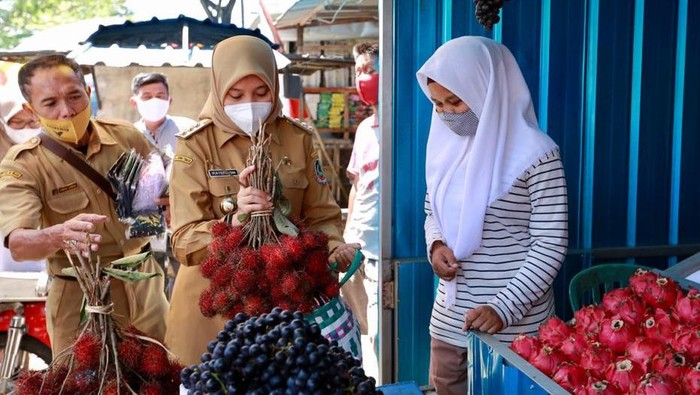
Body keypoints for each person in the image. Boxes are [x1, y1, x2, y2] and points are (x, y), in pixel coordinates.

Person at [166, 35, 359, 365]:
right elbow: (182, 240)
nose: (250, 103)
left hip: (289, 304)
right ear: (217, 89)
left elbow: (322, 215)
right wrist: (234, 219)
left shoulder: (298, 140)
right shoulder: (195, 146)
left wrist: (334, 247)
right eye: (236, 95)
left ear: (275, 87)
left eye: (261, 93)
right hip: (213, 311)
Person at [416, 36, 568, 394]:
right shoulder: (446, 148)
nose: (447, 115)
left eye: (455, 100)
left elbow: (550, 244)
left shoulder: (538, 156)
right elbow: (432, 210)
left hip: (517, 332)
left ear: (489, 88)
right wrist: (436, 244)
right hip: (451, 323)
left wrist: (504, 307)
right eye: (437, 104)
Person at [0, 54, 169, 357]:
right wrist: (57, 236)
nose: (66, 111)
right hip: (81, 300)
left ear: (88, 93)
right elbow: (19, 245)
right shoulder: (24, 164)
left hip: (146, 288)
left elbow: (163, 193)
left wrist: (164, 204)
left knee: (160, 377)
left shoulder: (126, 136)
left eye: (74, 96)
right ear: (31, 110)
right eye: (50, 103)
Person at [130, 72, 196, 297]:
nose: (154, 101)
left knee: (184, 279)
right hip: (143, 221)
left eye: (160, 95)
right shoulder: (127, 135)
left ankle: (180, 323)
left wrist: (174, 201)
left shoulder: (188, 130)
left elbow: (197, 174)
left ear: (170, 100)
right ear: (134, 101)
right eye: (146, 96)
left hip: (182, 219)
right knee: (150, 280)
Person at [341, 42, 381, 373]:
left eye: (369, 69)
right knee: (362, 332)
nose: (363, 77)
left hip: (386, 253)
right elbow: (356, 186)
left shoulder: (406, 129)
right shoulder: (364, 129)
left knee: (382, 337)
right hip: (358, 247)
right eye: (358, 71)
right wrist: (348, 231)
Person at [0, 76, 44, 272]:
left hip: (44, 233)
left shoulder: (50, 149)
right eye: (17, 123)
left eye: (33, 123)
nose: (27, 129)